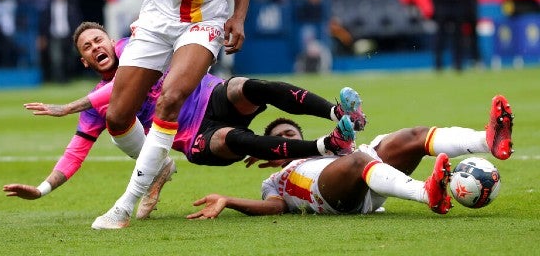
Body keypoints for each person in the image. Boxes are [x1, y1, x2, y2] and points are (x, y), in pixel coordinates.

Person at [4, 22, 367, 229]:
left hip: (210, 96)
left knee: (252, 87)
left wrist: (67, 106)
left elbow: (128, 83)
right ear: (84, 61)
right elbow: (74, 154)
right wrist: (41, 190)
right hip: (194, 137)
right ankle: (327, 145)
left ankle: (339, 114)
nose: (95, 45)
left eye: (98, 38)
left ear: (112, 43)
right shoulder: (96, 107)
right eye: (87, 46)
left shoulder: (135, 48)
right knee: (234, 139)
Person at [51, 0, 253, 228]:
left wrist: (239, 17)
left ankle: (123, 206)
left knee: (170, 98)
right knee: (117, 117)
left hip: (204, 22)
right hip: (156, 21)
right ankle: (159, 167)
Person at [187, 94, 514, 219]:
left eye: (292, 134)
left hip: (369, 178)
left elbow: (352, 137)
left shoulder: (331, 148)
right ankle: (425, 192)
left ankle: (486, 140)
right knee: (359, 160)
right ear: (267, 151)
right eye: (280, 139)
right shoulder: (275, 180)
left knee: (411, 136)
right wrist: (228, 200)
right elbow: (274, 207)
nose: (289, 139)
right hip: (331, 196)